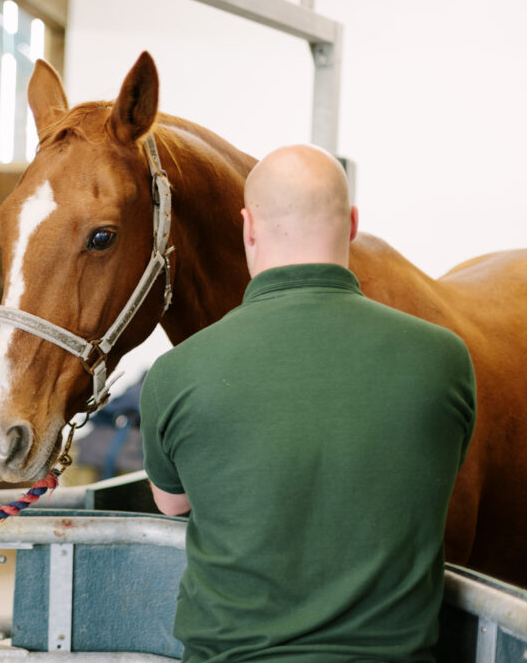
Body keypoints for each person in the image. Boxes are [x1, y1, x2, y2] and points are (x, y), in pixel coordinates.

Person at [141, 145, 476, 661]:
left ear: (248, 228)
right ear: (352, 225)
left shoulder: (176, 372)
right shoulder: (445, 359)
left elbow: (173, 503)